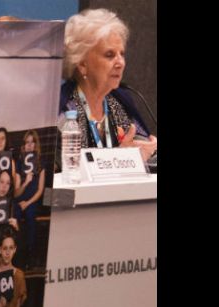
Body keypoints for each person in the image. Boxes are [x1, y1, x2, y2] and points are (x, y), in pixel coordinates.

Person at [60, 8, 157, 161]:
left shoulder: (119, 104)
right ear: (82, 64)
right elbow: (62, 168)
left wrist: (151, 151)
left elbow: (142, 146)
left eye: (122, 54)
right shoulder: (63, 112)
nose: (121, 63)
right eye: (109, 55)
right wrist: (119, 158)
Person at [13, 130, 46, 268]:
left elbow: (40, 190)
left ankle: (30, 254)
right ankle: (17, 254)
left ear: (36, 145)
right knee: (15, 215)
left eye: (32, 142)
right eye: (27, 142)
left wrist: (28, 203)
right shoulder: (20, 163)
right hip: (21, 199)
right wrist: (26, 182)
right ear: (24, 146)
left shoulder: (40, 163)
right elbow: (16, 193)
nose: (30, 145)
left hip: (32, 200)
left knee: (31, 217)